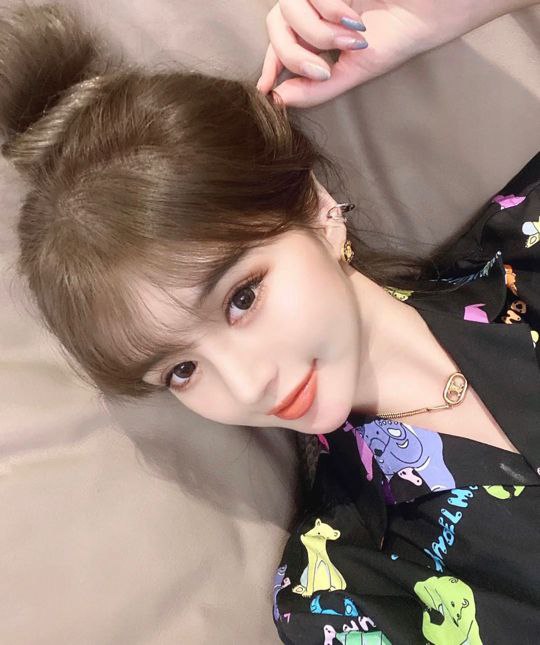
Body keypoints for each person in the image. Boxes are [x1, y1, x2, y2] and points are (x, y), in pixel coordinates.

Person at [0, 1, 538, 643]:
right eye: (181, 370)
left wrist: (434, 16)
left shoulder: (527, 240)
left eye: (241, 298)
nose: (246, 383)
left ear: (316, 207)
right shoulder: (338, 590)